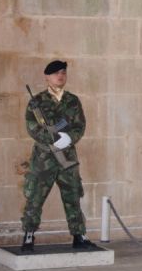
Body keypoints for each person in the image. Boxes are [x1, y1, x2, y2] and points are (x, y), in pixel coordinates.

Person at [21, 60, 95, 251]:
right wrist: (54, 138)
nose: (60, 76)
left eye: (63, 72)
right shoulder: (36, 102)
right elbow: (32, 127)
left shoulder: (73, 100)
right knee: (35, 197)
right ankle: (28, 235)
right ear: (47, 77)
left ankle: (79, 235)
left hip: (67, 157)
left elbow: (80, 125)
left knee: (72, 195)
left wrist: (69, 138)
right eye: (55, 73)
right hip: (44, 158)